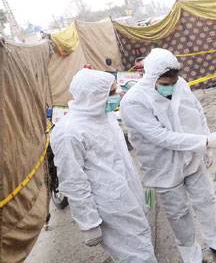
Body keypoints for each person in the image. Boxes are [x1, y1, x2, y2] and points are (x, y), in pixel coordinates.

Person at [120, 48, 216, 263]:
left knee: (206, 199)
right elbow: (160, 136)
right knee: (178, 213)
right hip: (163, 165)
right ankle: (190, 252)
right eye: (165, 84)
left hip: (192, 156)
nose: (171, 87)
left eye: (173, 82)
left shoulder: (180, 84)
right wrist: (203, 142)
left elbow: (196, 110)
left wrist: (206, 140)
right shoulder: (133, 102)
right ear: (151, 78)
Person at [51, 69, 157, 263]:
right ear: (93, 96)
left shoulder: (103, 115)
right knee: (138, 256)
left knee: (141, 246)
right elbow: (73, 181)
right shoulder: (68, 132)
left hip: (128, 196)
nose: (116, 96)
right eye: (112, 93)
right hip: (109, 207)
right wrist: (89, 223)